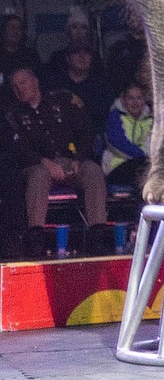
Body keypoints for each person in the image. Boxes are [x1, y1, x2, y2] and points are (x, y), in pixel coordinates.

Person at [5, 64, 109, 256]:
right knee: (39, 175)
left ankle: (98, 235)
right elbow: (18, 149)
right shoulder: (14, 115)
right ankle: (36, 238)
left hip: (70, 162)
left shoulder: (60, 102)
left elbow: (86, 131)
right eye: (15, 86)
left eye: (23, 82)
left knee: (92, 171)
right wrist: (44, 162)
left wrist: (79, 158)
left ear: (35, 81)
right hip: (36, 166)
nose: (20, 88)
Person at [102, 82, 153, 191]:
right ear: (124, 100)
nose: (135, 102)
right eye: (130, 98)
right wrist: (141, 156)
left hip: (143, 166)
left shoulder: (151, 120)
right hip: (116, 167)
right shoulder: (116, 117)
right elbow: (116, 143)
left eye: (139, 98)